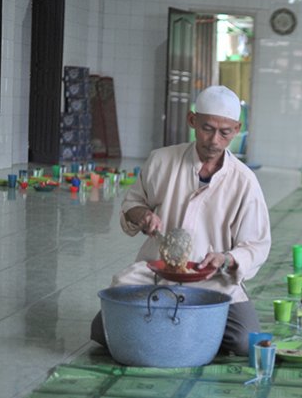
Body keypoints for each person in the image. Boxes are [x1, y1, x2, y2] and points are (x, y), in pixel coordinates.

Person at [91, 86, 271, 356]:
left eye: (225, 133)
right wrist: (143, 216)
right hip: (156, 272)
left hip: (212, 279)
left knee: (244, 341)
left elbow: (256, 245)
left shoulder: (244, 181)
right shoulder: (161, 160)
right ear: (192, 121)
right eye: (207, 128)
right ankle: (192, 332)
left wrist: (226, 259)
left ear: (237, 129)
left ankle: (170, 329)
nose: (214, 141)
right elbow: (132, 205)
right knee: (101, 330)